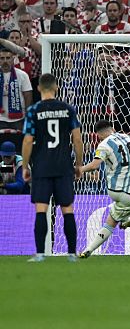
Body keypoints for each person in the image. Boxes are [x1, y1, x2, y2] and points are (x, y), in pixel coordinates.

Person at [22, 73, 83, 262]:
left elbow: (28, 140)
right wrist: (79, 164)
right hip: (63, 166)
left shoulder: (34, 111)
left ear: (39, 88)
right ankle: (72, 254)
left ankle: (40, 254)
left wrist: (25, 166)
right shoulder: (68, 109)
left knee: (41, 209)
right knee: (67, 209)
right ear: (56, 87)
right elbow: (77, 139)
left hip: (41, 166)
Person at [79, 120, 130, 259]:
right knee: (111, 222)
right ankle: (88, 250)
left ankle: (125, 220)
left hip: (113, 189)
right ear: (112, 128)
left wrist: (80, 170)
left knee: (120, 208)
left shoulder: (103, 145)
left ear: (98, 135)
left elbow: (95, 165)